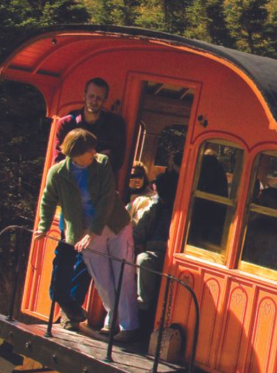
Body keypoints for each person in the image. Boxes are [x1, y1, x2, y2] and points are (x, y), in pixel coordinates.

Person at [35, 129, 141, 342]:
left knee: (124, 272)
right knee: (102, 279)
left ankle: (129, 326)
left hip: (114, 225)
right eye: (90, 148)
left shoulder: (102, 163)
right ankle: (113, 319)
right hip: (83, 232)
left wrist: (93, 232)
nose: (94, 151)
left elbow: (107, 199)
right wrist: (43, 226)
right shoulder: (58, 173)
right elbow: (48, 200)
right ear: (76, 152)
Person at [48, 78, 128, 326]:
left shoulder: (114, 126)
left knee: (87, 256)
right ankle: (65, 303)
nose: (95, 101)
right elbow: (58, 161)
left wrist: (92, 161)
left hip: (97, 204)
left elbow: (117, 161)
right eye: (91, 96)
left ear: (105, 99)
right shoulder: (67, 123)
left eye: (100, 98)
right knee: (65, 252)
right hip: (71, 203)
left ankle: (72, 309)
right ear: (84, 94)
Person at [134, 170, 179, 333]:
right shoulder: (156, 207)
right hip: (153, 250)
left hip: (167, 255)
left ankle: (142, 314)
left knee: (144, 260)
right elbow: (140, 230)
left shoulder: (178, 210)